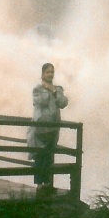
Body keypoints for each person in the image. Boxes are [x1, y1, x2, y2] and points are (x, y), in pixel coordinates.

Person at [31, 62, 68, 194]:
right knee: (40, 155)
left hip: (54, 127)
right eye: (47, 72)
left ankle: (48, 183)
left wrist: (53, 90)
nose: (50, 74)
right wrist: (46, 90)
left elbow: (63, 103)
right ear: (42, 74)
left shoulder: (58, 89)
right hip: (41, 127)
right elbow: (40, 102)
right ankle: (39, 185)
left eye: (52, 72)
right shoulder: (37, 89)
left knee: (49, 155)